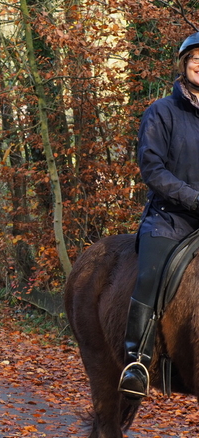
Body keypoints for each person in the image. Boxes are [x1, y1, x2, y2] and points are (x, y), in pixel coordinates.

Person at [118, 31, 199, 399]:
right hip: (170, 219)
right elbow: (152, 169)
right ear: (183, 65)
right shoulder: (161, 112)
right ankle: (137, 358)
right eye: (194, 58)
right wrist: (193, 199)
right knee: (151, 275)